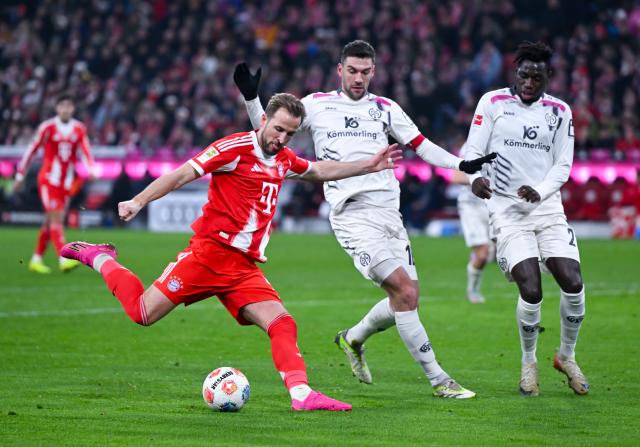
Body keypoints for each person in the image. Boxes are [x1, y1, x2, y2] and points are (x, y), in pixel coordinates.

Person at [62, 93, 402, 412]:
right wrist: (138, 200)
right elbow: (182, 174)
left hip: (242, 267)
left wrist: (368, 166)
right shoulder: (234, 148)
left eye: (291, 133)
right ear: (264, 119)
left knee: (283, 323)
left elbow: (317, 170)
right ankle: (99, 256)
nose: (282, 138)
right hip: (208, 256)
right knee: (141, 313)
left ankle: (301, 394)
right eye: (279, 129)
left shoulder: (283, 158)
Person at [234, 40, 495, 399]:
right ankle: (439, 380)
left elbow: (421, 144)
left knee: (407, 298)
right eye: (352, 71)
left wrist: (460, 164)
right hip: (352, 215)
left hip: (389, 213)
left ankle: (353, 338)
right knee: (404, 290)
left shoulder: (386, 109)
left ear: (374, 71)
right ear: (339, 70)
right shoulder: (316, 105)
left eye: (365, 72)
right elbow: (269, 134)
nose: (358, 78)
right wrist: (252, 100)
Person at [465, 41, 589, 396]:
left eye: (537, 76)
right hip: (506, 210)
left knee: (573, 282)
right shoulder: (492, 103)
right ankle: (528, 362)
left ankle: (566, 356)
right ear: (514, 74)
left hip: (548, 208)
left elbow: (564, 164)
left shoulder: (560, 111)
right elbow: (473, 148)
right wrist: (475, 178)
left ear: (548, 76)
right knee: (531, 288)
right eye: (523, 75)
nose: (529, 82)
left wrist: (540, 190)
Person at [13, 92, 95, 274]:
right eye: (62, 106)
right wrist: (20, 175)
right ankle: (63, 258)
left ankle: (36, 259)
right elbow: (31, 150)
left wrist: (91, 168)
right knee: (57, 218)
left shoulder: (79, 128)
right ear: (57, 108)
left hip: (66, 183)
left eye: (69, 106)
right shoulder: (48, 127)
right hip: (49, 179)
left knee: (50, 220)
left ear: (73, 108)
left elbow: (85, 150)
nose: (66, 109)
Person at [451, 144, 494, 304]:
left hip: (492, 206)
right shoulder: (470, 147)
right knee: (483, 254)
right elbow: (456, 177)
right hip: (471, 206)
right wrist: (482, 181)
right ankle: (472, 292)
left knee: (490, 255)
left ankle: (477, 257)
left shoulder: (502, 142)